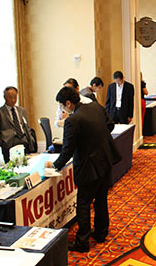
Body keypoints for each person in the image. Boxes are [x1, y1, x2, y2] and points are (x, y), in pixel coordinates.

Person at [45, 86, 121, 253]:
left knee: (83, 204)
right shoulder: (94, 106)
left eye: (61, 106)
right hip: (105, 160)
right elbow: (110, 125)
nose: (61, 109)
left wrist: (55, 165)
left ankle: (82, 241)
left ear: (68, 103)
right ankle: (101, 233)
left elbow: (67, 151)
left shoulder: (73, 120)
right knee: (101, 199)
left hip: (89, 167)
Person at [0, 87, 36, 163]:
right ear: (5, 97)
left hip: (23, 140)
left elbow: (26, 125)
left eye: (15, 97)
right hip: (9, 142)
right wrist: (2, 143)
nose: (13, 100)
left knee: (26, 163)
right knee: (12, 166)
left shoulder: (22, 110)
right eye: (10, 97)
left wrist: (29, 138)